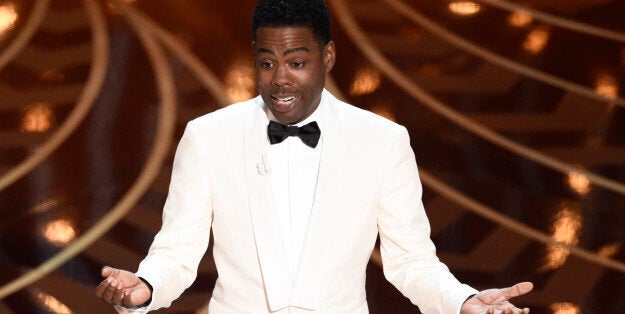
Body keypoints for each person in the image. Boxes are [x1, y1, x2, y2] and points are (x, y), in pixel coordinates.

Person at [95, 0, 534, 313]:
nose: (279, 79)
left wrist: (461, 301)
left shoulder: (383, 141)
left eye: (296, 62)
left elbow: (411, 261)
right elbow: (177, 250)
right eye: (267, 63)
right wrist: (146, 287)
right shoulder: (208, 136)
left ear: (327, 57)